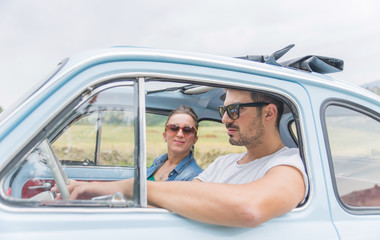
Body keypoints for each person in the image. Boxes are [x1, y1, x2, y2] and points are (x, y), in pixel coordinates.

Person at [54, 89, 307, 228]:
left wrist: (131, 187)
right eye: (223, 110)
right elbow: (174, 201)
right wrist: (93, 197)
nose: (225, 119)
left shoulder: (289, 164)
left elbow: (248, 209)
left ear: (269, 113)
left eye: (234, 110)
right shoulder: (224, 163)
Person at [146, 105, 202, 181]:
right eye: (173, 128)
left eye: (188, 130)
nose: (180, 134)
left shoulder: (194, 178)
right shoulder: (159, 161)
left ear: (195, 140)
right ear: (164, 135)